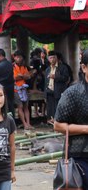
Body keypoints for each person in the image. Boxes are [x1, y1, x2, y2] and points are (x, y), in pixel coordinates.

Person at [54, 49, 88, 189]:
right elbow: (57, 125)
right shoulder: (73, 93)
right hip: (80, 156)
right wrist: (86, 129)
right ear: (84, 67)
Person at [45, 51, 70, 124]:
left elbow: (66, 78)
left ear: (56, 58)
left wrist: (55, 77)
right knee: (50, 109)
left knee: (58, 107)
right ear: (48, 59)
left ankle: (59, 122)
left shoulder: (63, 67)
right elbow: (45, 83)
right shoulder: (47, 69)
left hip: (59, 91)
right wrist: (45, 94)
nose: (52, 59)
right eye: (50, 58)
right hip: (49, 91)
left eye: (53, 57)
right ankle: (53, 123)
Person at [0, 49, 15, 115]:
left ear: (0, 56)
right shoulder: (10, 64)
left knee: (2, 106)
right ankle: (12, 120)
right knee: (10, 105)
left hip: (1, 88)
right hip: (10, 87)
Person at [12, 50, 33, 130]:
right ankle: (24, 124)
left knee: (26, 107)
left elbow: (28, 76)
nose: (18, 58)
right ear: (14, 57)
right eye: (17, 57)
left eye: (20, 57)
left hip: (24, 88)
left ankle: (28, 123)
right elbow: (14, 78)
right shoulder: (12, 66)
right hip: (16, 89)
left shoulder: (24, 66)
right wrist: (22, 76)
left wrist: (22, 76)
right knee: (20, 106)